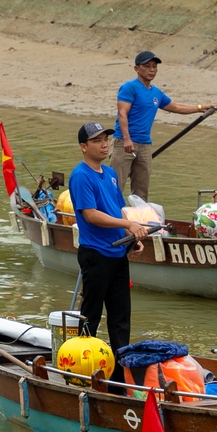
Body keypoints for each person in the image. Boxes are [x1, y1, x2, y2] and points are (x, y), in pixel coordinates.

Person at [67, 121, 148, 349]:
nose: (104, 145)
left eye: (105, 140)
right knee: (91, 315)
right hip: (96, 254)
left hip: (117, 252)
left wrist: (130, 235)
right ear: (84, 147)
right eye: (97, 141)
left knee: (120, 317)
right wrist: (128, 224)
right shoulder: (81, 176)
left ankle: (120, 371)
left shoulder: (110, 173)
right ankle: (81, 362)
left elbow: (117, 208)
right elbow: (91, 215)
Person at [113, 51, 216, 202]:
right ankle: (111, 219)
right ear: (137, 69)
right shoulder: (129, 88)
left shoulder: (156, 93)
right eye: (147, 66)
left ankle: (139, 220)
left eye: (154, 66)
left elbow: (177, 107)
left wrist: (201, 108)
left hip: (145, 145)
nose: (152, 69)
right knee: (116, 187)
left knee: (141, 190)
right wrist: (127, 139)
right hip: (124, 143)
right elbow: (122, 114)